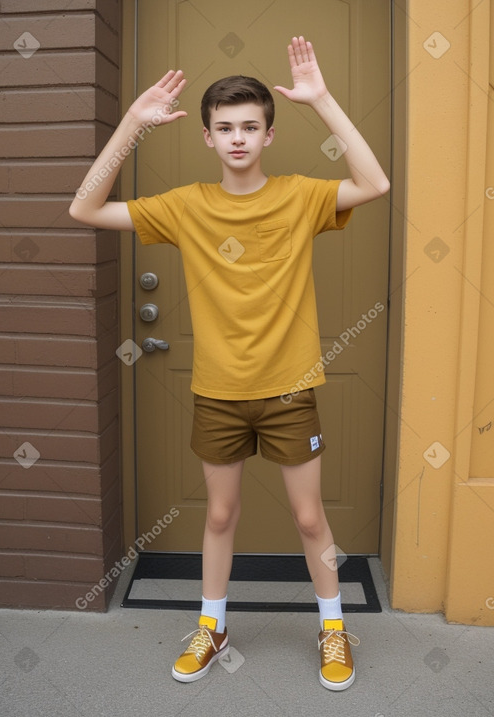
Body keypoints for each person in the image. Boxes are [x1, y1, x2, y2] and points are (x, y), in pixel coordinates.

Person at [70, 36, 389, 691]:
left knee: (308, 518)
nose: (237, 137)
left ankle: (333, 628)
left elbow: (375, 182)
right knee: (219, 515)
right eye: (225, 128)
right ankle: (212, 625)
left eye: (250, 126)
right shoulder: (186, 205)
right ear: (208, 138)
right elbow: (85, 208)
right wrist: (132, 123)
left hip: (291, 387)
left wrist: (323, 100)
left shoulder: (301, 197)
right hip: (218, 390)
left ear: (268, 135)